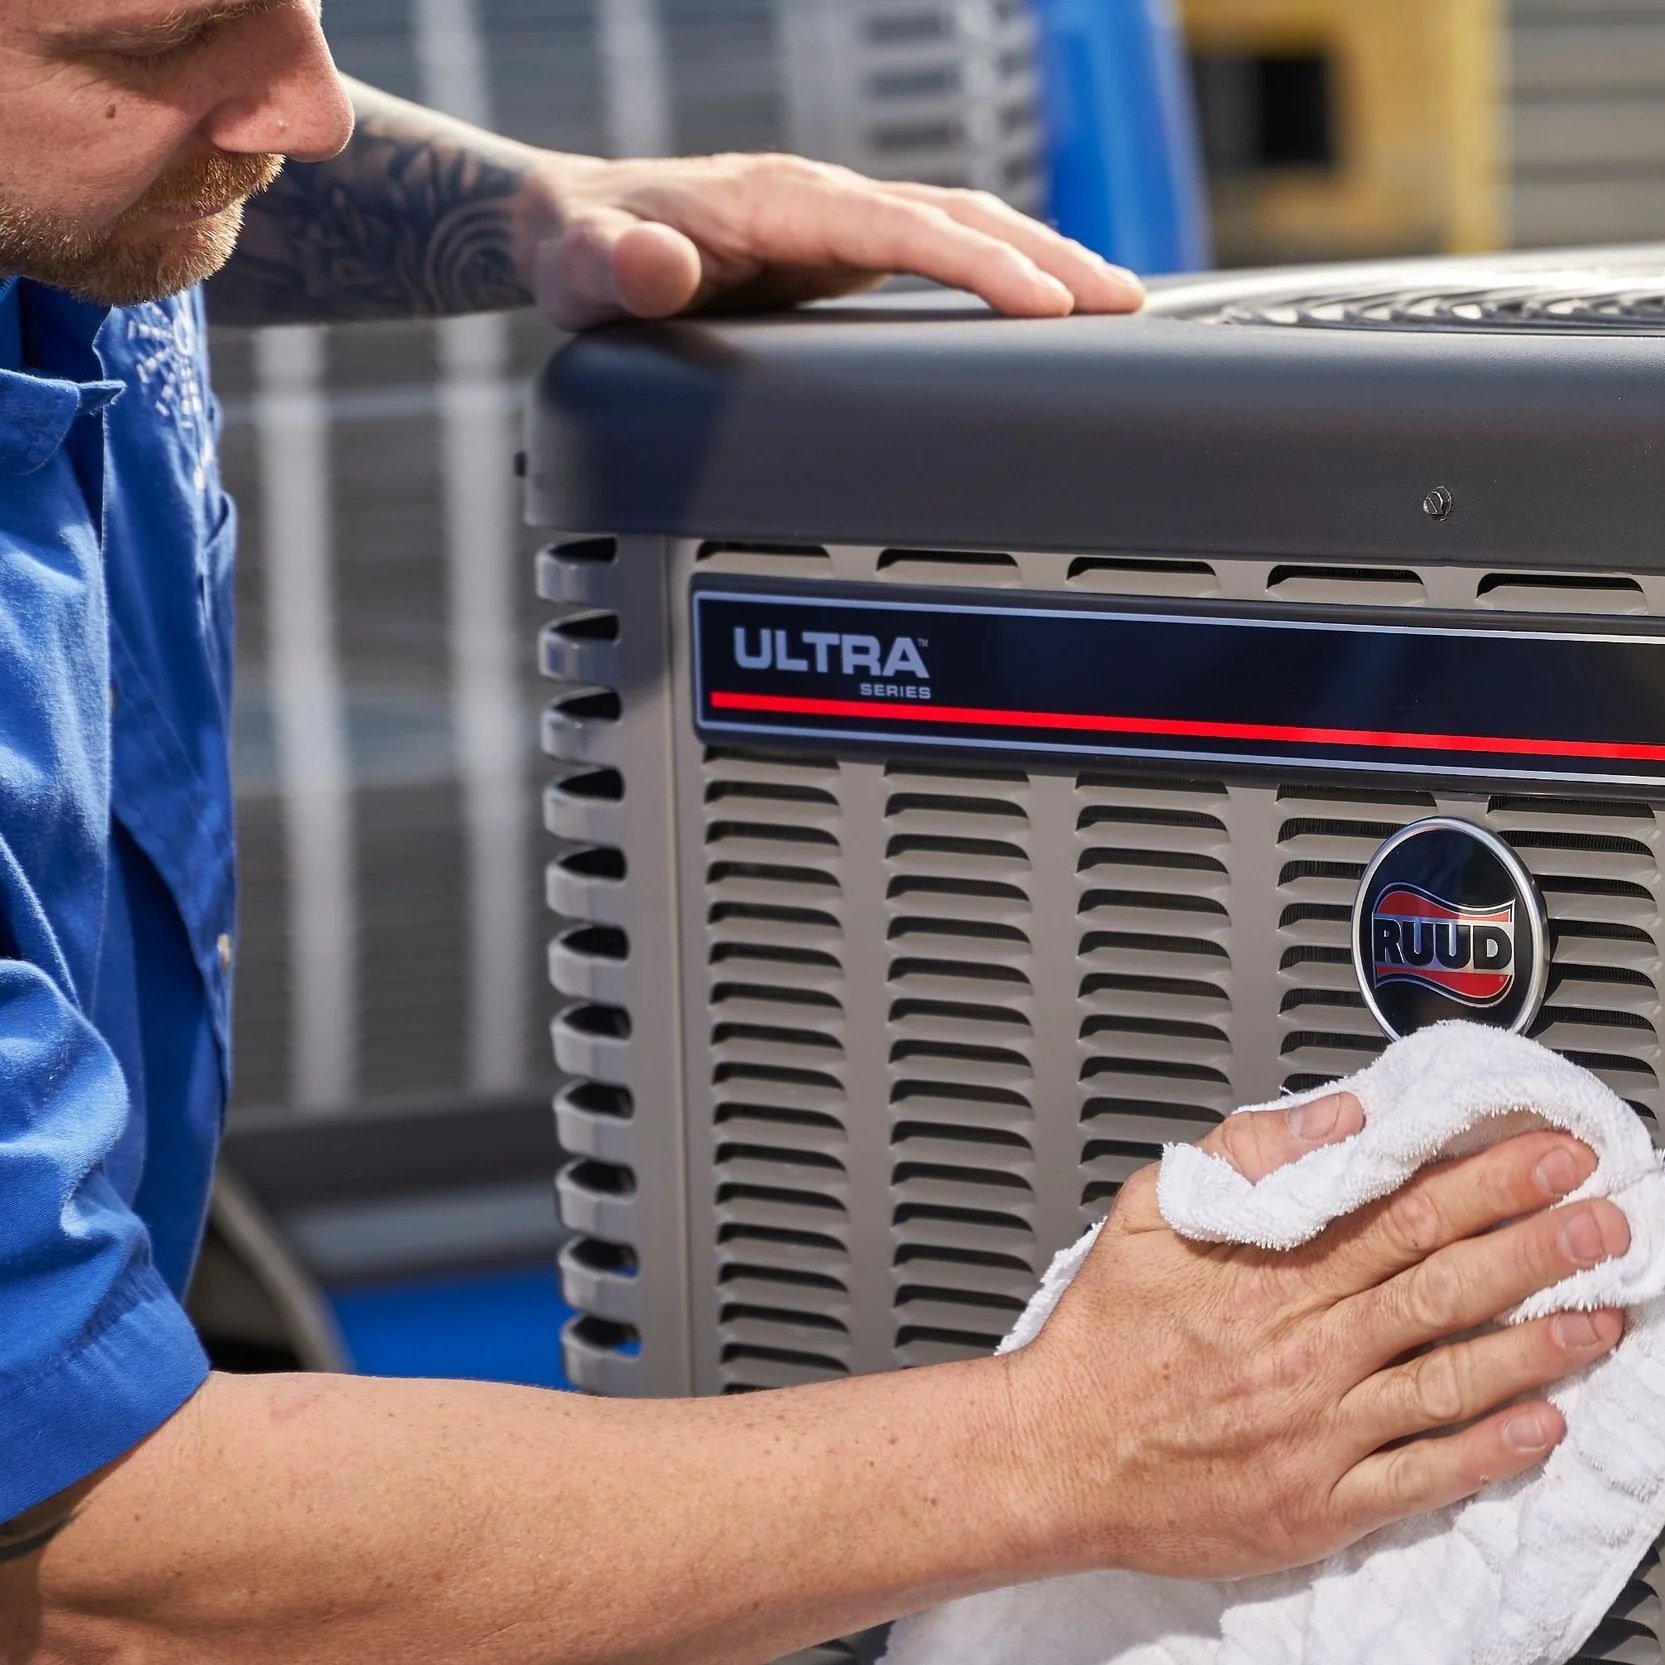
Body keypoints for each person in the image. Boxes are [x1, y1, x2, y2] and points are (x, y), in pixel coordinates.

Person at [0, 2, 1631, 1661]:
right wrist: (1069, 1447)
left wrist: (533, 203)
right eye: (162, 47)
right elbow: (104, 1573)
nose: (320, 110)